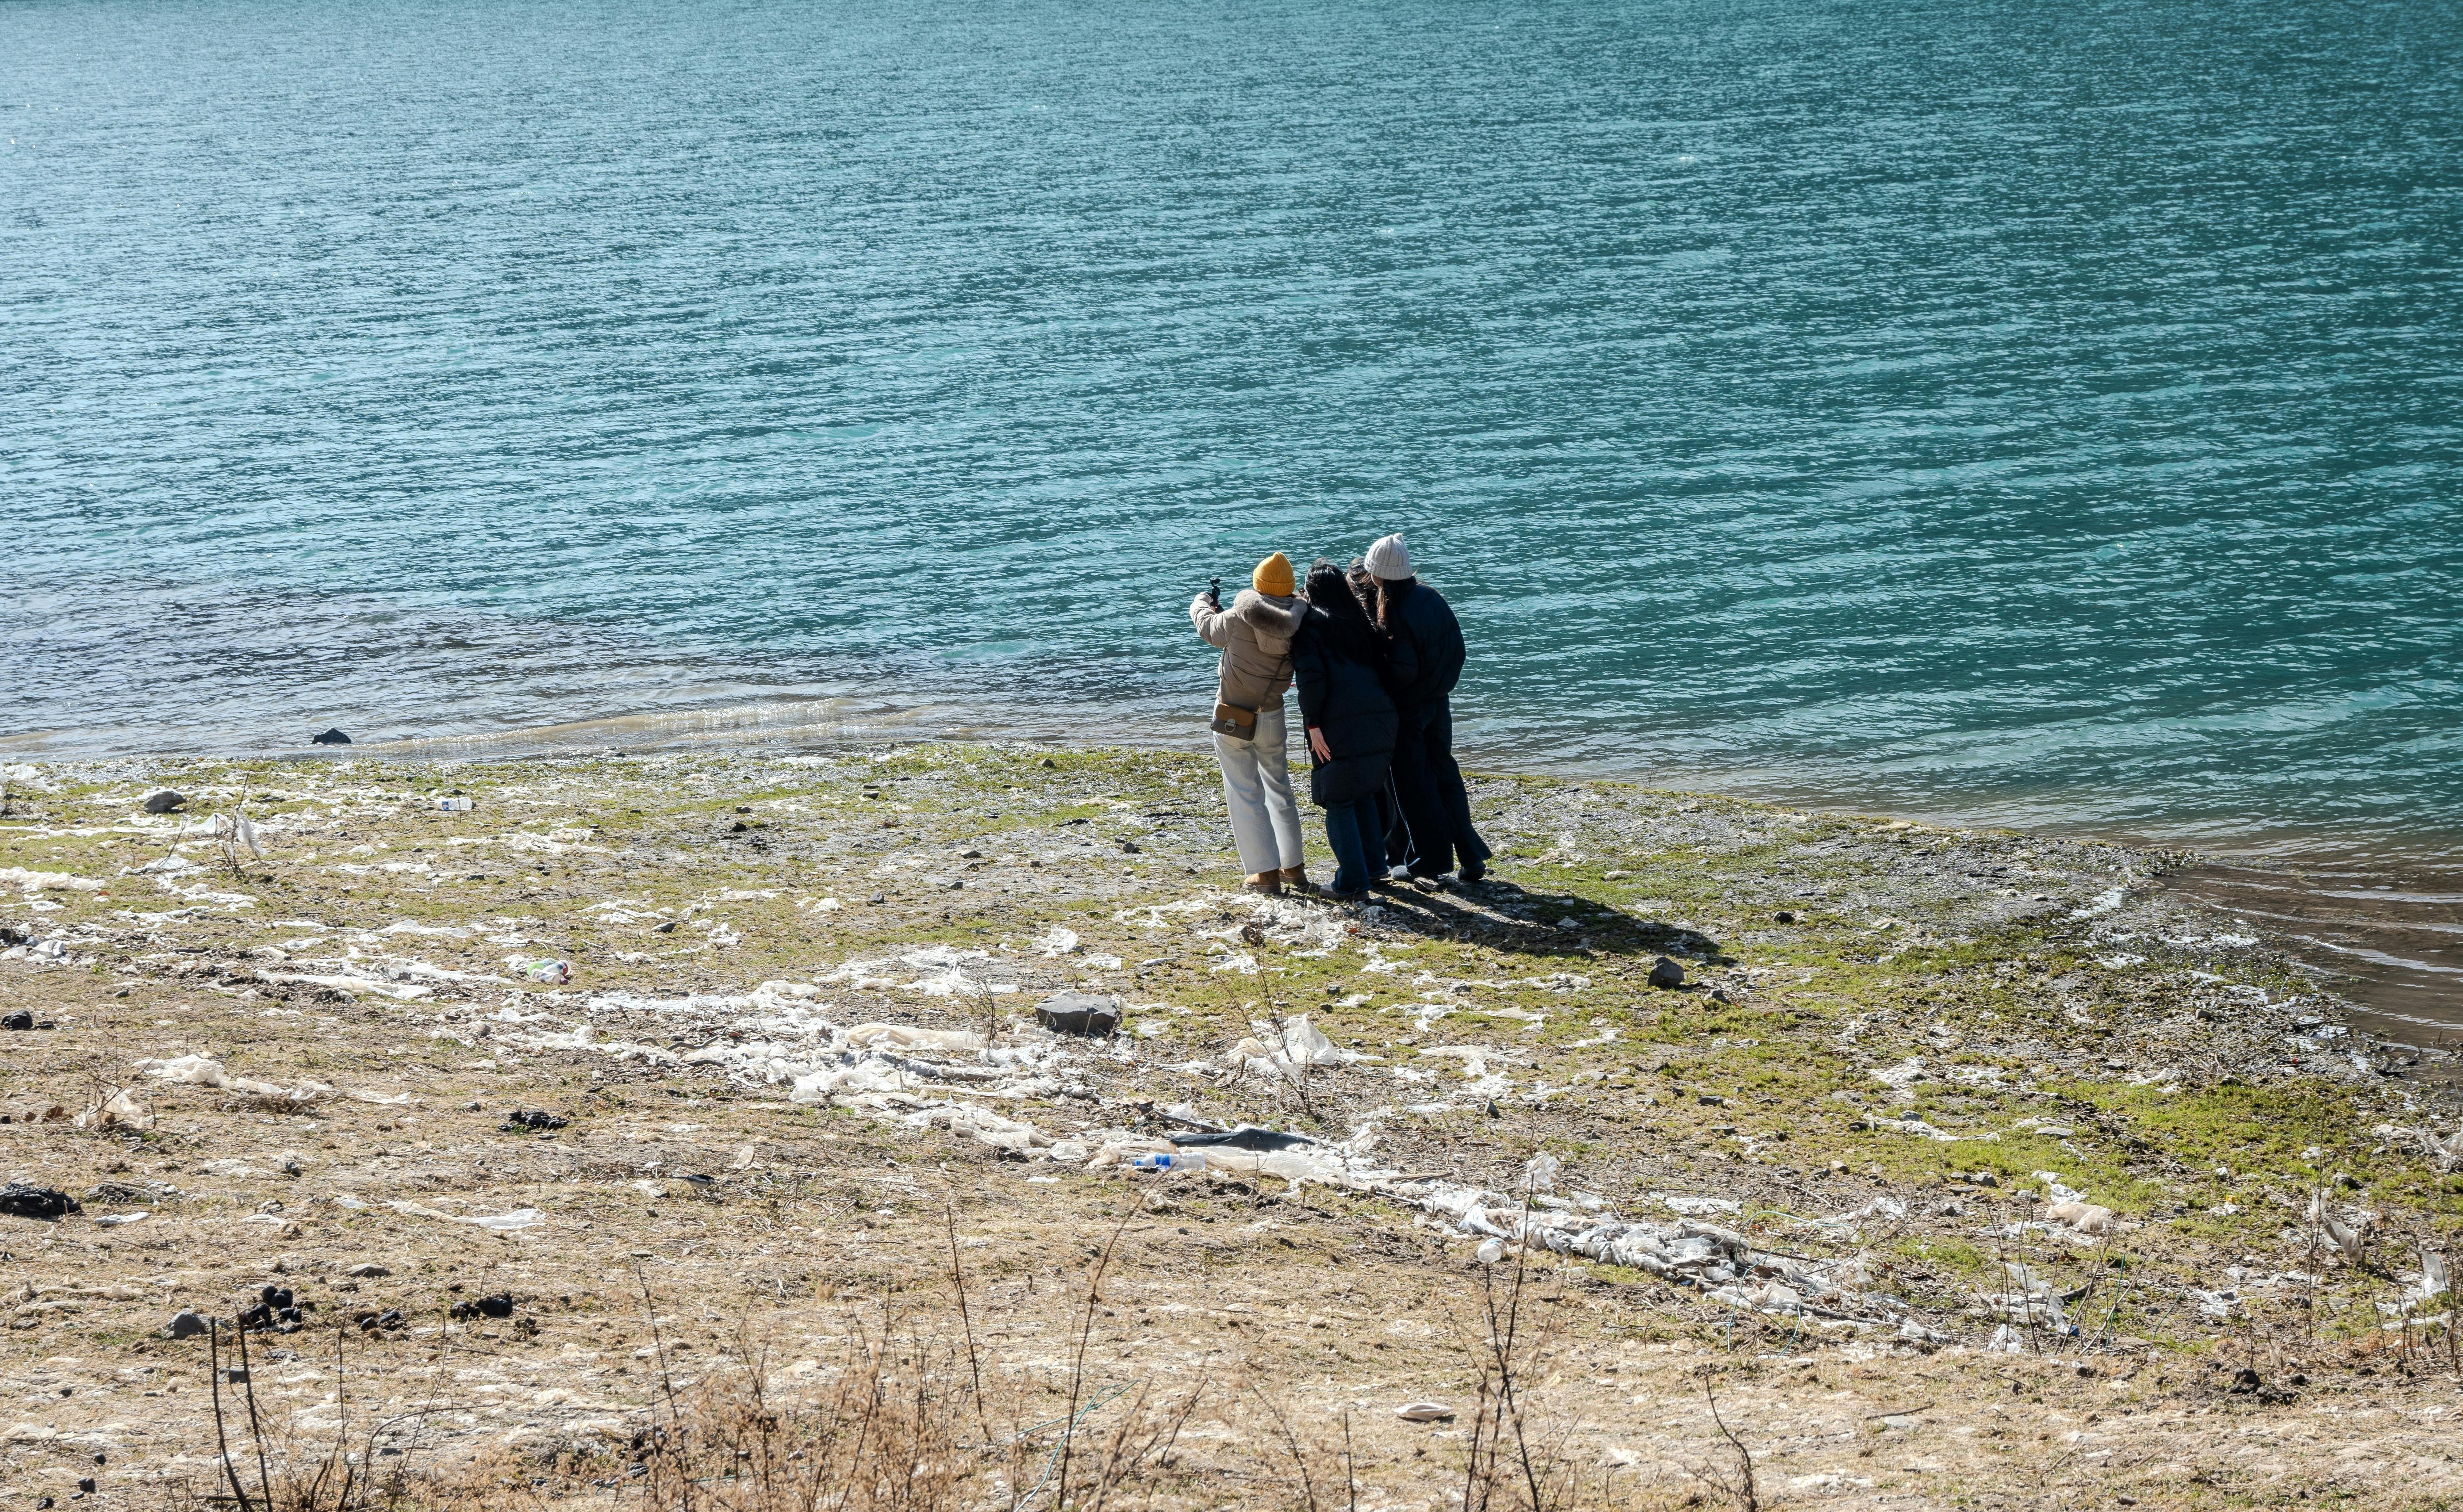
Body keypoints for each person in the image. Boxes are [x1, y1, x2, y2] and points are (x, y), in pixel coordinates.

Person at [1364, 532, 1492, 883]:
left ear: (1380, 575)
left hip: (1412, 710)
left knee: (1414, 787)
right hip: (1439, 703)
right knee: (1446, 777)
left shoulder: (1397, 610)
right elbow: (1458, 652)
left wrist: (1383, 680)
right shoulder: (1432, 597)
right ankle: (1471, 855)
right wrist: (1438, 688)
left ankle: (1428, 860)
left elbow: (1404, 670)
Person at [1190, 551, 1309, 894]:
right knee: (1280, 788)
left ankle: (1264, 873)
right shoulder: (1300, 620)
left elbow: (1206, 628)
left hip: (1233, 715)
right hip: (1273, 714)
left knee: (1245, 792)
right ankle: (1294, 868)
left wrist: (1202, 601)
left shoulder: (1239, 616)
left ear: (1258, 586)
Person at [1292, 560, 1399, 897]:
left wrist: (1312, 725)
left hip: (1340, 724)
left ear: (1311, 592)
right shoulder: (1359, 621)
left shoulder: (1311, 626)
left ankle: (1352, 882)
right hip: (1381, 719)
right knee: (1364, 792)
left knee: (1338, 799)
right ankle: (1375, 868)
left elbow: (1312, 680)